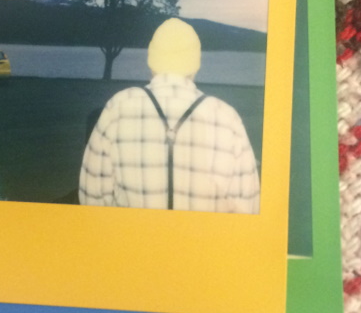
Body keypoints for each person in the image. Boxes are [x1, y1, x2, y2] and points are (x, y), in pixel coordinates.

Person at [79, 18, 260, 213]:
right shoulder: (226, 117)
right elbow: (247, 206)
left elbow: (92, 196)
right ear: (195, 65)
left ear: (152, 63)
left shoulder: (117, 108)